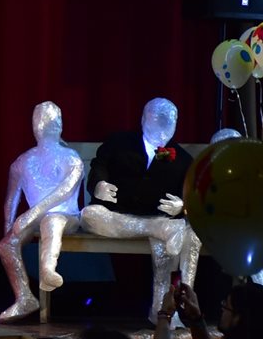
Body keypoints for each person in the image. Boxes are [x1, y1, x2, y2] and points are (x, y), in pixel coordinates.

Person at [80, 97, 196, 323]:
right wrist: (99, 184)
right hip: (115, 218)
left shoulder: (182, 159)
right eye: (156, 122)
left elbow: (192, 194)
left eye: (168, 124)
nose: (162, 129)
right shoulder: (118, 142)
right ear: (143, 120)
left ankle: (160, 313)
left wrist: (182, 206)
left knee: (165, 244)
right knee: (89, 215)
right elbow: (99, 165)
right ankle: (158, 228)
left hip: (156, 218)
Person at [0, 102, 84, 323]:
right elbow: (11, 199)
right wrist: (9, 232)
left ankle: (48, 270)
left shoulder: (71, 157)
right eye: (42, 120)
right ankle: (24, 297)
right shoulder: (23, 162)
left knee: (52, 220)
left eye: (53, 120)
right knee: (5, 246)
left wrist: (30, 214)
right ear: (34, 125)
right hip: (36, 220)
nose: (47, 125)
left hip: (67, 217)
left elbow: (64, 192)